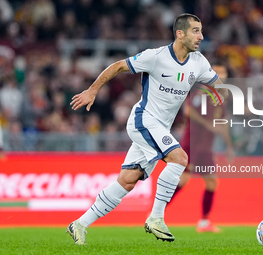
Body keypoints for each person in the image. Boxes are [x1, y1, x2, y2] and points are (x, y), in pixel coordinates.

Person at [67, 13, 227, 244]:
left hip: (161, 128)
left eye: (201, 31)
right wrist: (93, 90)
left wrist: (220, 92)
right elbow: (119, 66)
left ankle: (79, 224)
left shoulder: (199, 62)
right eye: (195, 31)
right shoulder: (156, 56)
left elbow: (217, 85)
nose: (201, 36)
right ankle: (156, 218)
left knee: (127, 181)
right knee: (180, 159)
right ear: (180, 34)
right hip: (144, 120)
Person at [169, 63, 234, 233]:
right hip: (193, 143)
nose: (220, 75)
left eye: (223, 72)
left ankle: (203, 222)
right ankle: (156, 213)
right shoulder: (202, 92)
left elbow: (223, 123)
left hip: (205, 147)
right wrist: (208, 124)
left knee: (207, 181)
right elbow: (189, 111)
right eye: (217, 72)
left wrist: (229, 146)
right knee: (189, 179)